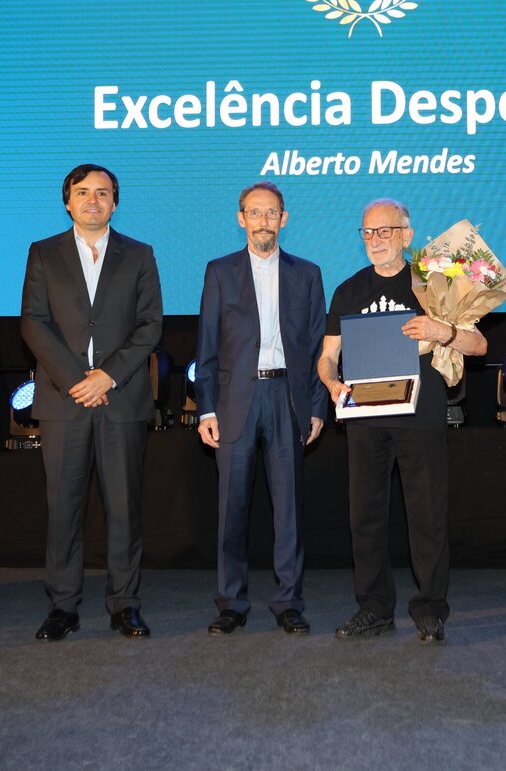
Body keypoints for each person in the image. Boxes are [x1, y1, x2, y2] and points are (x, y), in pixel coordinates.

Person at [318, 198, 487, 645]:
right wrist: (333, 384)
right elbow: (327, 356)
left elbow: (480, 345)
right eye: (368, 233)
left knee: (427, 517)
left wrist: (440, 331)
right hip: (365, 419)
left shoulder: (438, 281)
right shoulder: (349, 289)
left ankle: (431, 610)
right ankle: (373, 608)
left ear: (408, 236)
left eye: (386, 231)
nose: (376, 240)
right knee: (365, 518)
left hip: (421, 417)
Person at [22, 163, 164, 641]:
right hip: (65, 402)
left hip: (120, 399)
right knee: (64, 507)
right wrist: (74, 382)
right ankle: (62, 607)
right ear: (68, 201)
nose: (93, 200)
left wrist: (107, 376)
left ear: (115, 202)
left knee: (124, 508)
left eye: (103, 193)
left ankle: (125, 605)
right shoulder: (43, 254)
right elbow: (33, 324)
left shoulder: (139, 255)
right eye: (83, 192)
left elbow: (150, 326)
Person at [195, 181, 327, 636]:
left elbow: (316, 348)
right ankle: (231, 602)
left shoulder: (308, 274)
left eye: (272, 213)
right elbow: (207, 348)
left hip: (288, 397)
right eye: (255, 212)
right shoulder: (219, 272)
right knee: (231, 510)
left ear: (284, 219)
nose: (263, 221)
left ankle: (288, 601)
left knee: (288, 509)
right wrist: (206, 409)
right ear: (241, 218)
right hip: (234, 403)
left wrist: (316, 405)